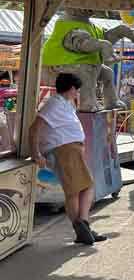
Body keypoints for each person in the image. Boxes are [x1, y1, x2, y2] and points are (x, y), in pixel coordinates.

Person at [29, 73, 108, 244]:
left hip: (70, 150)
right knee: (80, 189)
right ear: (72, 88)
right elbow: (34, 128)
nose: (78, 93)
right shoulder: (54, 104)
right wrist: (36, 153)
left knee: (80, 188)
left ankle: (82, 226)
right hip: (65, 150)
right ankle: (82, 224)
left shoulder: (64, 104)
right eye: (77, 90)